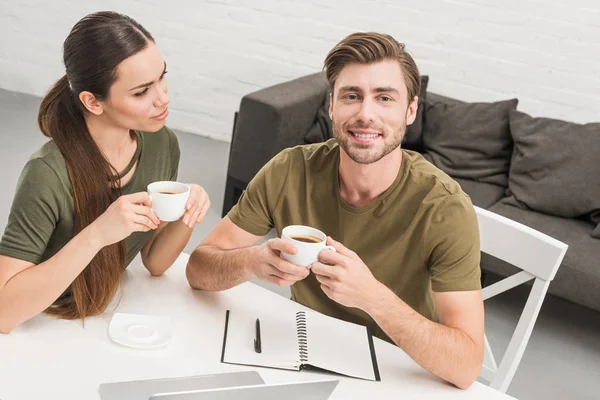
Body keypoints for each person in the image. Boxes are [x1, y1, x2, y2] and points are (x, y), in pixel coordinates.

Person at [185, 32, 484, 388]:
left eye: (384, 98)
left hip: (397, 372)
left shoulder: (445, 209)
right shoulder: (289, 170)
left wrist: (372, 298)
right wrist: (253, 261)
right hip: (298, 360)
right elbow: (198, 270)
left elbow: (466, 367)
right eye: (351, 96)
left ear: (410, 111)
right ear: (331, 106)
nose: (365, 114)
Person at [0, 11, 210, 333]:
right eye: (142, 92)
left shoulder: (161, 143)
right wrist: (99, 233)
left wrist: (188, 213)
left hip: (108, 317)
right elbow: (4, 312)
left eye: (162, 78)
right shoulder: (46, 174)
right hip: (43, 323)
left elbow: (154, 262)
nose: (163, 98)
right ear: (93, 102)